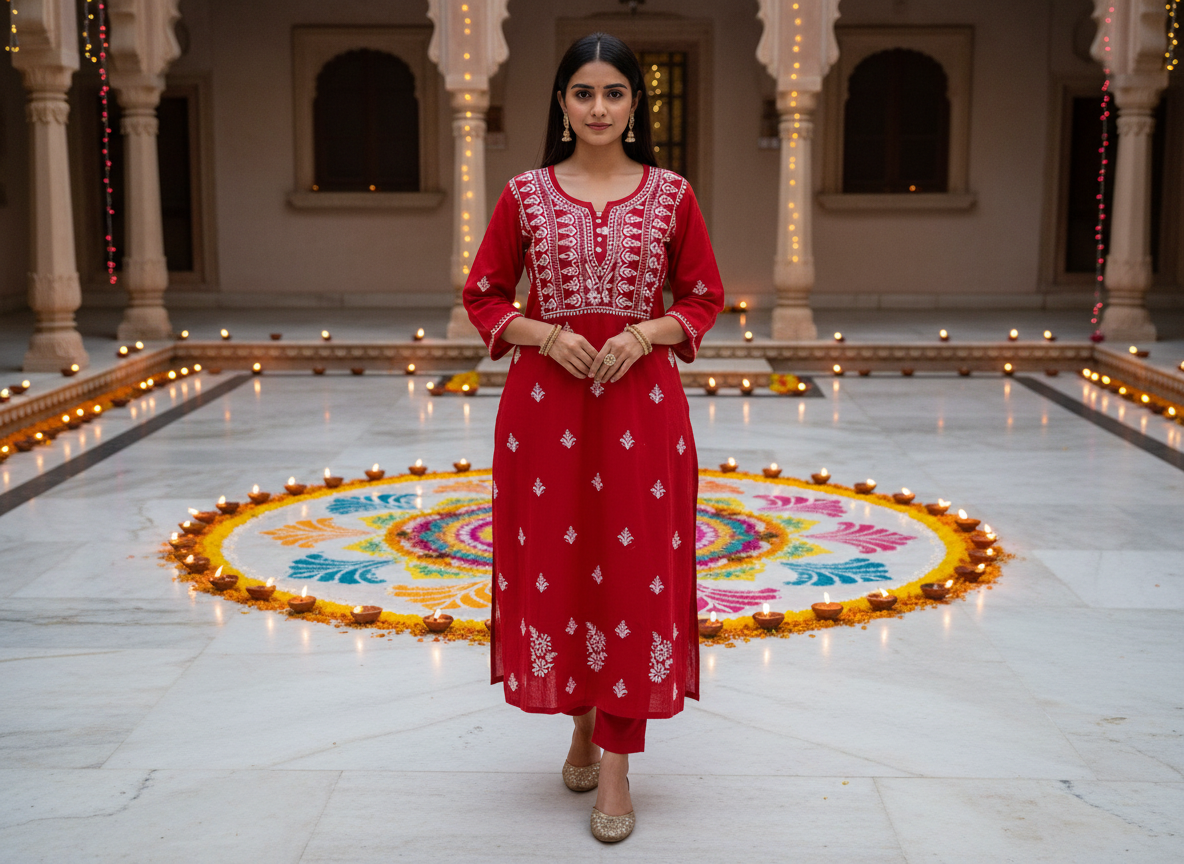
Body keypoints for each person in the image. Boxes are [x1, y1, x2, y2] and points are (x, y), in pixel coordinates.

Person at [463, 32, 724, 843]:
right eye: (584, 92)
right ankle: (579, 717)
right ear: (562, 103)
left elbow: (706, 293)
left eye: (615, 93)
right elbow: (483, 293)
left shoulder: (673, 194)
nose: (599, 107)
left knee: (636, 574)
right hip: (546, 416)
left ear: (636, 104)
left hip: (643, 413)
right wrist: (542, 334)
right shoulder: (525, 194)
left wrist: (649, 332)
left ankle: (616, 757)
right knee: (560, 570)